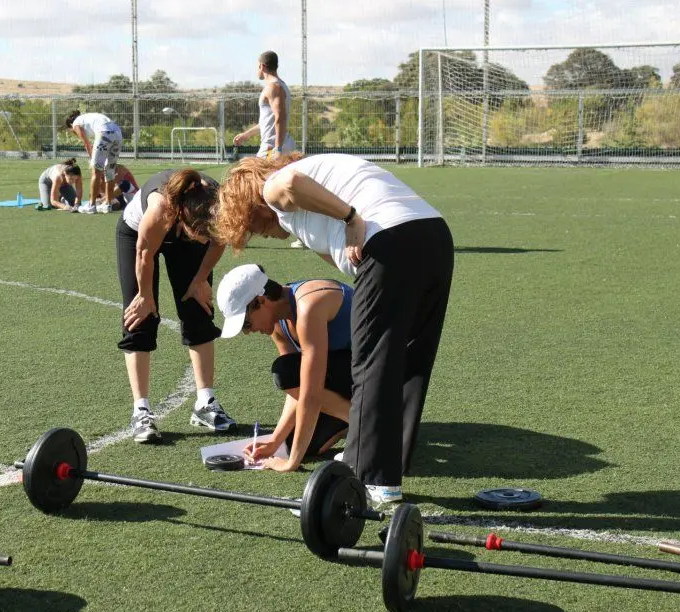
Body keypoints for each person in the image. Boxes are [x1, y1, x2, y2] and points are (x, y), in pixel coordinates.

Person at [214, 153, 454, 504]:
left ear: (252, 207)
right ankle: (393, 462)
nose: (263, 233)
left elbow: (291, 186)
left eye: (254, 227)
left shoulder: (274, 187)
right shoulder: (310, 214)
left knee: (372, 365)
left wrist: (351, 217)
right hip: (435, 236)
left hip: (389, 240)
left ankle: (368, 478)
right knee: (411, 358)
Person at [117, 168, 236, 443]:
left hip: (185, 235)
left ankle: (205, 403)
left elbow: (218, 242)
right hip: (138, 237)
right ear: (183, 219)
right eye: (200, 236)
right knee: (140, 319)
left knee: (199, 312)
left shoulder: (217, 205)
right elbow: (144, 253)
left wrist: (200, 280)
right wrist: (145, 296)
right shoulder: (160, 210)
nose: (206, 239)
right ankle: (141, 410)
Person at [216, 264, 352, 470]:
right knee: (300, 445)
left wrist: (291, 463)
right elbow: (297, 387)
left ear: (261, 301)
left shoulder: (309, 306)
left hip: (387, 373)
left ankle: (363, 422)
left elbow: (311, 393)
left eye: (246, 323)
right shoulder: (277, 323)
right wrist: (275, 440)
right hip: (349, 372)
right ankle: (349, 421)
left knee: (284, 371)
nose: (247, 332)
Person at [231, 51, 304, 249]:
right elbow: (268, 121)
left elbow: (279, 117)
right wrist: (247, 135)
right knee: (286, 190)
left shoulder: (273, 87)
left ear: (262, 66)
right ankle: (302, 234)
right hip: (276, 145)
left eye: (257, 66)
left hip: (272, 148)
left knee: (247, 188)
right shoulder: (279, 86)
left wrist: (278, 148)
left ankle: (239, 232)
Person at [65, 110, 123, 213]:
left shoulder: (75, 124)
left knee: (96, 172)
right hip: (118, 133)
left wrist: (93, 159)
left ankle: (91, 206)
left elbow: (87, 144)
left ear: (70, 125)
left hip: (104, 133)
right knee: (110, 171)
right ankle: (108, 205)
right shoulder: (88, 117)